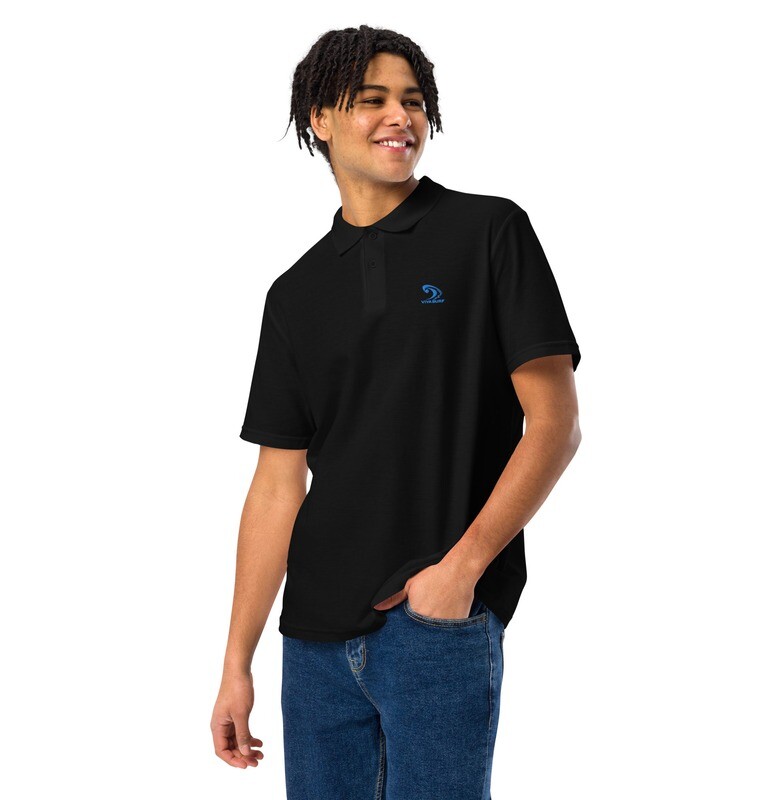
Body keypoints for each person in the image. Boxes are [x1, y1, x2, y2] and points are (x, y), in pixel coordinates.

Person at [211, 24, 582, 800]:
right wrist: (236, 661)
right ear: (319, 118)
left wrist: (461, 572)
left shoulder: (489, 231)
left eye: (413, 101)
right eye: (372, 99)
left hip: (434, 625)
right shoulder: (295, 294)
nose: (400, 117)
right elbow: (276, 486)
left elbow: (555, 425)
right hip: (313, 644)